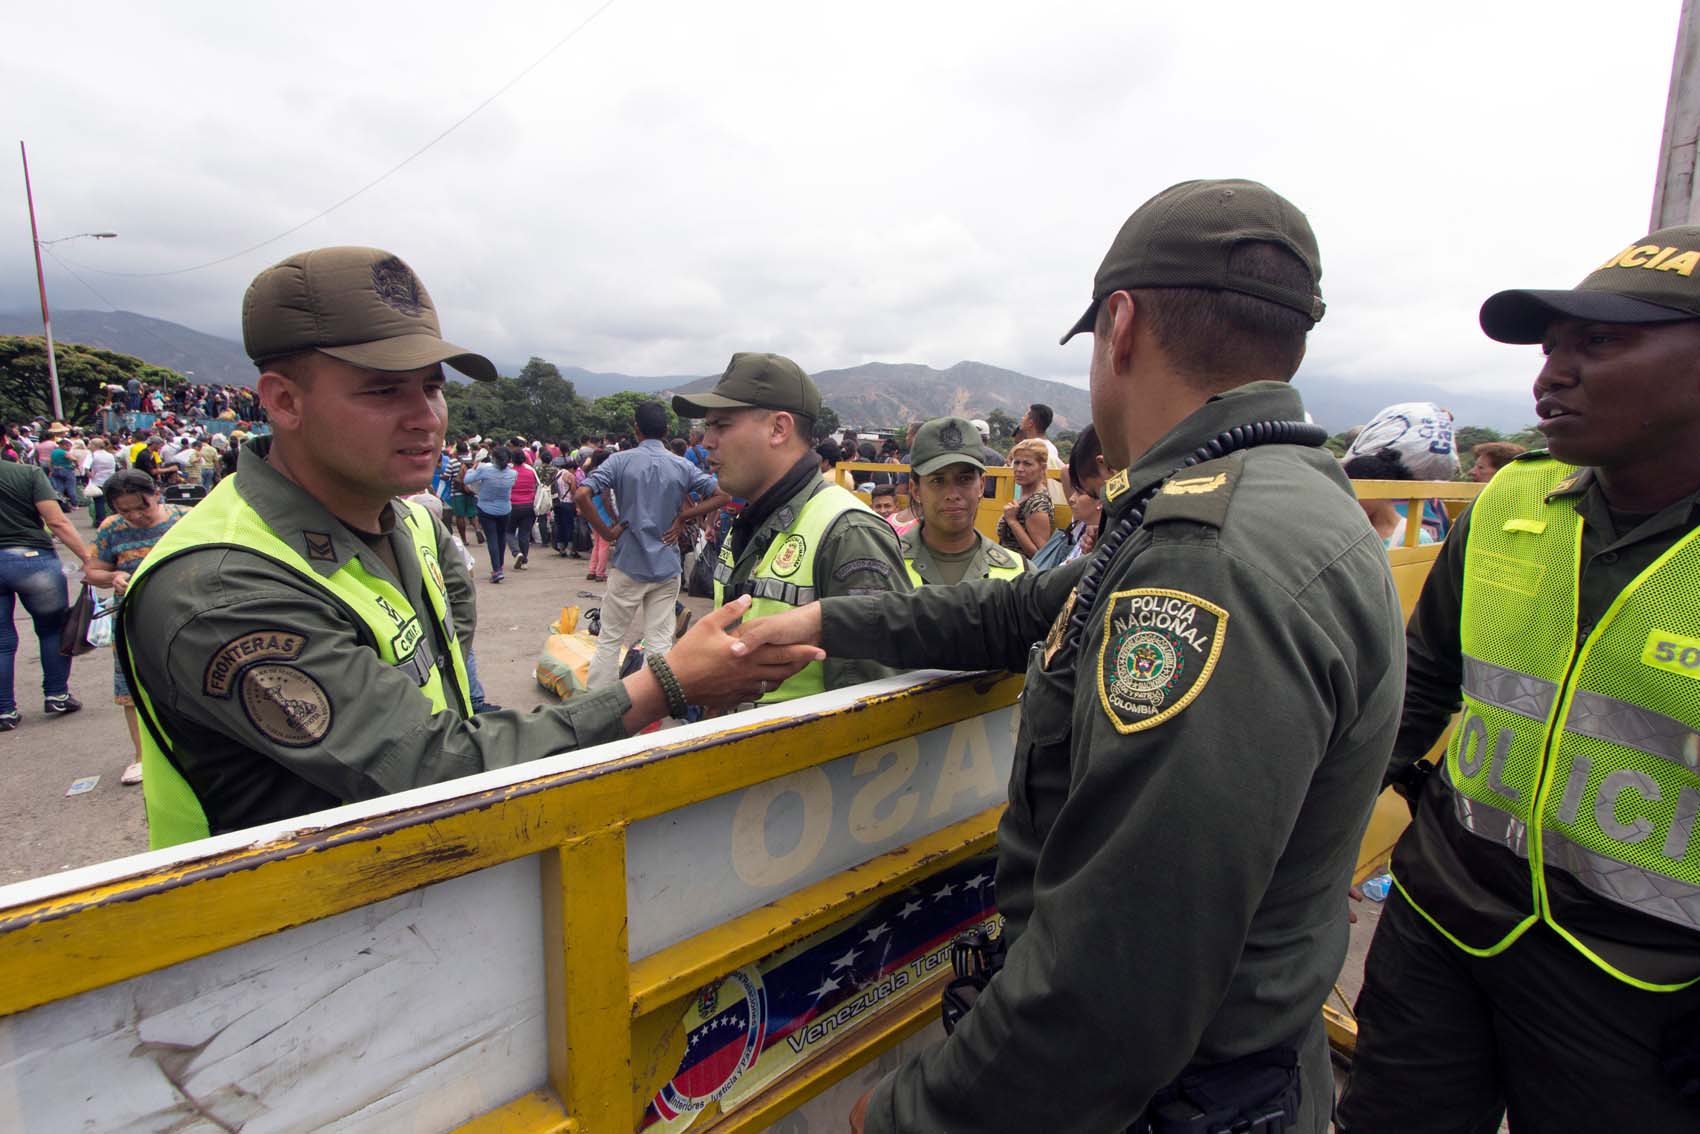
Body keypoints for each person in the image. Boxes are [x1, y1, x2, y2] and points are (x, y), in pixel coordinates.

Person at [736, 179, 1403, 1134]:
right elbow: (1017, 612)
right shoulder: (1278, 497)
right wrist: (826, 624)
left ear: (1120, 326)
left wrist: (913, 1114)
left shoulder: (1204, 559)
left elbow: (1121, 971)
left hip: (1169, 1099)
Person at [117, 246, 820, 849]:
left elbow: (452, 692)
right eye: (383, 390)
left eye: (432, 388)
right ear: (283, 400)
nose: (425, 418)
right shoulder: (222, 585)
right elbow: (433, 767)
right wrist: (668, 682)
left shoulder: (410, 523)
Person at [1339, 224, 1700, 1132]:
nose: (1551, 375)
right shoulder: (1510, 500)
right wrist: (1309, 831)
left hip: (1644, 979)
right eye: (1550, 349)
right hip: (1447, 914)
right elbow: (1422, 687)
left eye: (1601, 342)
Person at [675, 352, 911, 702]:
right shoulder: (753, 518)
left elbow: (871, 705)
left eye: (721, 426)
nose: (707, 441)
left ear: (778, 428)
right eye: (708, 427)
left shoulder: (848, 532)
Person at [575, 401, 723, 691]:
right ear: (666, 430)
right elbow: (721, 495)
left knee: (610, 639)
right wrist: (683, 516)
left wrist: (607, 531)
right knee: (659, 641)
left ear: (636, 429)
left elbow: (582, 494)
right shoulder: (682, 465)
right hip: (667, 566)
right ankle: (653, 701)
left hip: (629, 563)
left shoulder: (620, 461)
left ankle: (597, 702)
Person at [83, 470, 189, 785]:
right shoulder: (110, 529)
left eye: (141, 507)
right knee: (132, 687)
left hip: (184, 614)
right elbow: (93, 571)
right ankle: (141, 756)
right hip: (133, 619)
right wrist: (112, 577)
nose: (135, 516)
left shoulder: (186, 519)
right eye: (124, 510)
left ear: (156, 493)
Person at [0, 452, 92, 730]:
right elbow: (57, 522)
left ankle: (4, 710)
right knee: (53, 630)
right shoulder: (26, 474)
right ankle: (57, 694)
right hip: (32, 560)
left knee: (1, 641)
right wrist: (88, 558)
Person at [899, 416, 1026, 585]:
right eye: (938, 481)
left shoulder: (1019, 573)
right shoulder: (884, 566)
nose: (953, 494)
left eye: (964, 479)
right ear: (916, 491)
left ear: (981, 486)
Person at [1343, 448, 1438, 548]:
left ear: (1380, 490)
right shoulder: (1349, 533)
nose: (1350, 500)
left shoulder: (1416, 538)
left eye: (1355, 493)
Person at [463, 446, 515, 582]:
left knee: (492, 539)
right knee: (501, 538)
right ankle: (500, 567)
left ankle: (496, 570)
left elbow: (467, 480)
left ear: (495, 458)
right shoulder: (512, 474)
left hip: (486, 508)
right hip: (505, 509)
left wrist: (473, 467)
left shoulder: (485, 469)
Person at [996, 438, 1055, 556]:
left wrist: (1012, 522)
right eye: (1017, 463)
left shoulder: (1038, 502)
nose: (1019, 469)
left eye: (1027, 464)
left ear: (1042, 468)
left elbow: (1039, 554)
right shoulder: (1027, 496)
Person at [506, 445, 538, 571]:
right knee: (524, 534)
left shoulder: (509, 473)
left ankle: (516, 552)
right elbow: (535, 487)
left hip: (512, 506)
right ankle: (524, 560)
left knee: (508, 532)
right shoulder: (530, 472)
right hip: (529, 506)